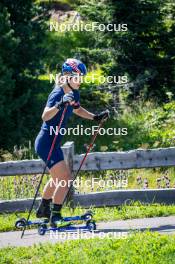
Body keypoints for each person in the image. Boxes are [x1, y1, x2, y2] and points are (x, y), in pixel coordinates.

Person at [34, 58, 109, 227]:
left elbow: (77, 109)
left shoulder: (73, 93)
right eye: (77, 77)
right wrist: (60, 104)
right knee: (65, 178)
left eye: (82, 77)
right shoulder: (58, 93)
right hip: (46, 142)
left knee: (57, 178)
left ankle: (43, 208)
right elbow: (45, 116)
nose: (80, 80)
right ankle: (55, 215)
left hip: (54, 142)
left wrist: (95, 117)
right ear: (67, 76)